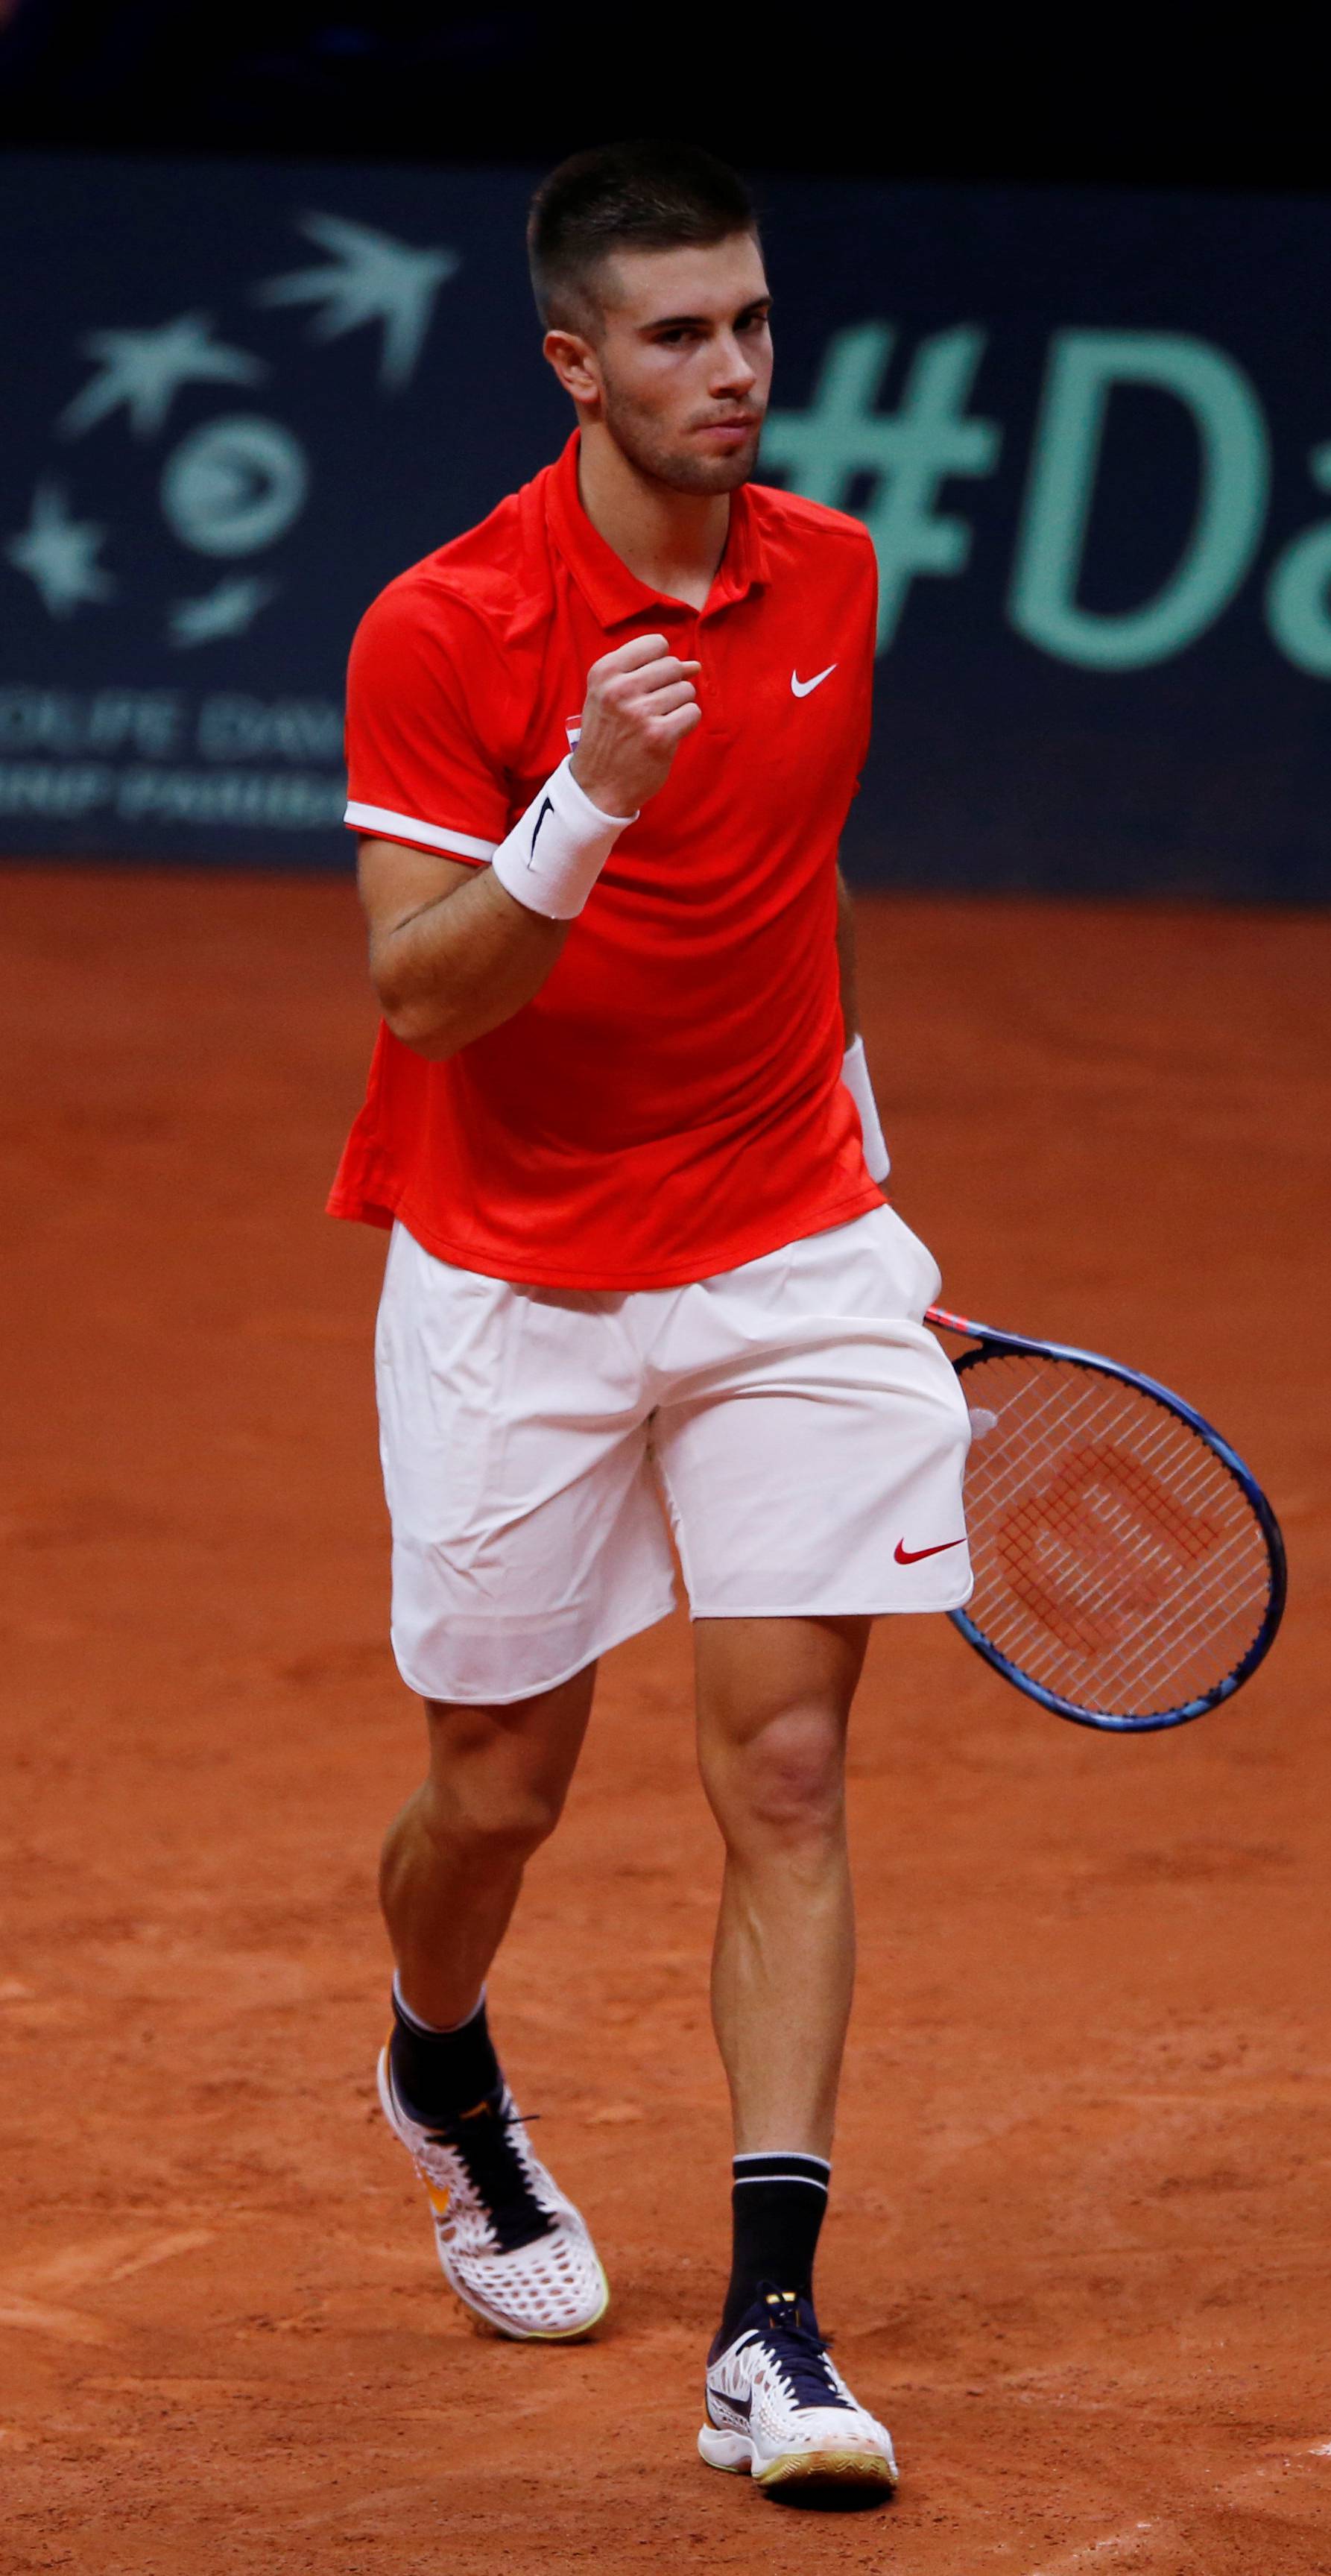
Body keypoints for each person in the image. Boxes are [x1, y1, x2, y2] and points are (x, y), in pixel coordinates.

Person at [329, 136, 971, 2502]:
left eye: (757, 324)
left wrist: (857, 1200)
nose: (738, 372)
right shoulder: (447, 626)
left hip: (791, 1249)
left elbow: (787, 914)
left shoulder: (836, 575)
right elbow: (427, 998)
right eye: (684, 335)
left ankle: (771, 2332)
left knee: (787, 1774)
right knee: (496, 1794)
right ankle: (440, 2056)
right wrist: (577, 807)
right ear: (571, 363)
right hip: (514, 1286)